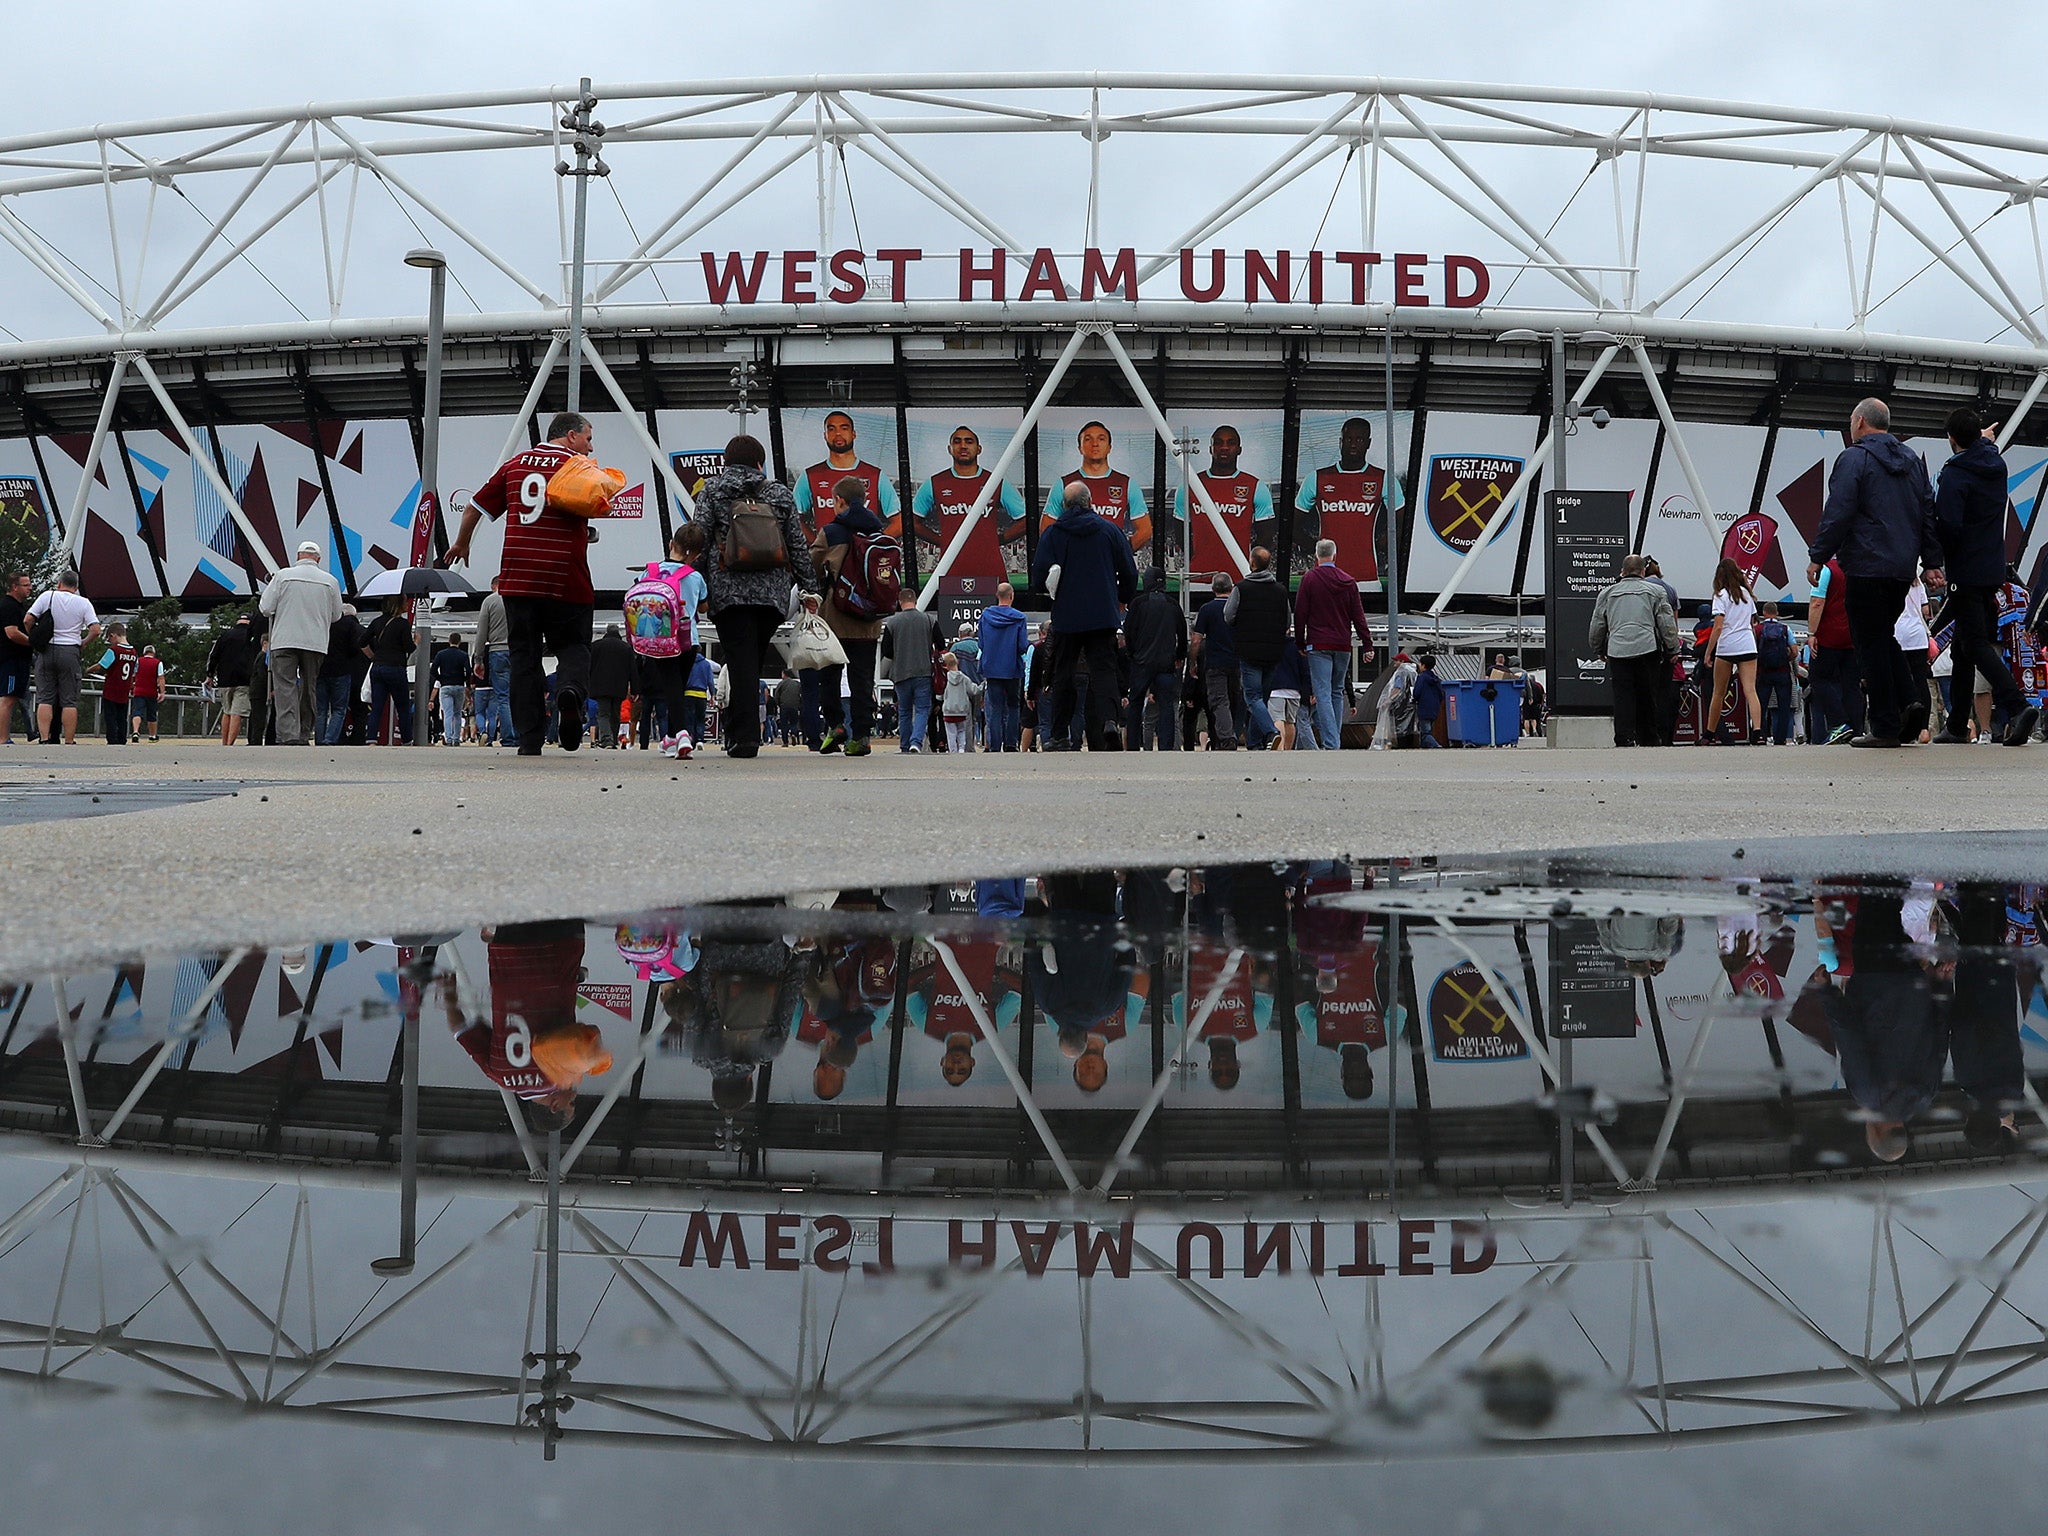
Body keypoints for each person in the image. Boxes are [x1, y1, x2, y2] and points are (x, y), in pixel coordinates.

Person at [447, 411, 602, 757]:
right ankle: (571, 692)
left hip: (518, 579)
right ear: (571, 436)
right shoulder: (579, 467)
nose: (591, 447)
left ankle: (529, 739)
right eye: (588, 438)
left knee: (524, 658)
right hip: (567, 577)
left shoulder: (515, 464)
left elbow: (473, 507)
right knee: (575, 647)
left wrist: (462, 543)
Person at [1806, 397, 1944, 747]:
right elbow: (1927, 511)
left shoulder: (1854, 457)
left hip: (1866, 565)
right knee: (1882, 635)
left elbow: (1839, 510)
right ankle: (1908, 702)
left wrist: (1819, 555)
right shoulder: (1912, 460)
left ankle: (1884, 726)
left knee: (1869, 642)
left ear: (1860, 422)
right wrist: (1931, 562)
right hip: (1900, 568)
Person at [690, 434, 815, 760]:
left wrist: (692, 586)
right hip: (772, 595)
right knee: (750, 658)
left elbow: (699, 540)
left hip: (729, 592)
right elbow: (798, 546)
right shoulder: (779, 494)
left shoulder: (713, 491)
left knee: (741, 658)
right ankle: (739, 730)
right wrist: (809, 587)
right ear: (760, 463)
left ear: (726, 462)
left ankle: (744, 737)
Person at [1933, 406, 2038, 745]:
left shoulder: (1954, 474)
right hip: (1992, 566)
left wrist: (1936, 557)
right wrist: (1986, 441)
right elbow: (1983, 450)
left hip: (1964, 568)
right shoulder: (1995, 465)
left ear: (1950, 439)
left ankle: (2018, 706)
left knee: (1974, 642)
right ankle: (1957, 725)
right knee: (1963, 647)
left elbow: (1948, 524)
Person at [1032, 479, 1140, 751]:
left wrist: (1050, 592)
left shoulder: (1054, 534)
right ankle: (1110, 722)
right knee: (1104, 669)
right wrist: (1122, 598)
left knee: (1063, 672)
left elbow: (1037, 577)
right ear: (1090, 502)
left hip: (1067, 615)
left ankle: (1059, 735)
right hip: (1102, 613)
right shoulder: (1110, 531)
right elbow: (1129, 571)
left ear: (1064, 505)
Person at [808, 476, 889, 757]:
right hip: (868, 621)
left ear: (839, 501)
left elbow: (812, 566)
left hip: (837, 617)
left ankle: (835, 726)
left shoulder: (831, 532)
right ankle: (863, 737)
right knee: (862, 680)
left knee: (829, 674)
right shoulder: (879, 533)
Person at [911, 424, 1028, 585]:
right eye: (957, 441)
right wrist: (941, 540)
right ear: (949, 448)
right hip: (950, 567)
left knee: (996, 610)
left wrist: (998, 539)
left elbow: (1025, 520)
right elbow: (912, 522)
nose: (963, 445)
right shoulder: (934, 483)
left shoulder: (996, 482)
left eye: (969, 441)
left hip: (990, 567)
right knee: (952, 610)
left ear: (979, 449)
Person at [1293, 416, 1405, 584]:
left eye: (1359, 439)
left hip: (1367, 578)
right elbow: (1292, 523)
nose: (1353, 444)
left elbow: (1404, 521)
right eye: (1348, 439)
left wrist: (1386, 542)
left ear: (1368, 443)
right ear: (1340, 441)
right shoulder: (1316, 478)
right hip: (1325, 577)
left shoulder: (1383, 479)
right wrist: (1311, 545)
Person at [1589, 552, 1681, 748]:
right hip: (1647, 649)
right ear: (1643, 571)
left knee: (1623, 695)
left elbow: (1597, 625)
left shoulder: (1607, 594)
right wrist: (1672, 649)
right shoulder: (1656, 592)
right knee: (1647, 695)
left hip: (1618, 651)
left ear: (1622, 572)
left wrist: (1598, 648)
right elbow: (1666, 624)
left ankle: (1624, 737)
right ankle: (1648, 737)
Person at [633, 524, 709, 759]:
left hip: (661, 638)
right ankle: (671, 738)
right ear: (696, 555)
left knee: (673, 689)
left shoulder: (650, 571)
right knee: (677, 688)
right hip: (689, 639)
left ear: (670, 544)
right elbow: (704, 607)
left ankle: (682, 734)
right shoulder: (695, 577)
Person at [256, 540, 342, 747]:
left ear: (298, 556)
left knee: (285, 686)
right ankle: (304, 732)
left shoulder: (282, 576)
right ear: (318, 559)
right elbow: (336, 615)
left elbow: (265, 608)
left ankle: (288, 735)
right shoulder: (330, 581)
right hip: (315, 642)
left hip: (284, 640)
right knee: (309, 686)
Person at [1293, 538, 1376, 752]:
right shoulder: (1348, 581)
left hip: (1318, 644)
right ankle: (1334, 741)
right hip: (1342, 645)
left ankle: (1332, 744)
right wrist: (1367, 644)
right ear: (1335, 555)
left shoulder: (1309, 579)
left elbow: (1300, 613)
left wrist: (1300, 642)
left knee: (1322, 692)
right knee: (1336, 691)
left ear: (1316, 556)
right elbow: (1358, 616)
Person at [1175, 424, 1274, 580]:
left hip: (1239, 577)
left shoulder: (1255, 486)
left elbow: (1267, 534)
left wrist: (1245, 560)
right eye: (1219, 442)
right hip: (1198, 576)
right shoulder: (1189, 485)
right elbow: (1180, 530)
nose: (1224, 447)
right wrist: (1197, 557)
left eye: (1231, 442)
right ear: (1211, 448)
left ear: (1239, 449)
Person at [1041, 420, 1151, 554]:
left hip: (1111, 570)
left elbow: (1145, 530)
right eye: (1088, 439)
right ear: (1080, 448)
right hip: (1075, 567)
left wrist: (1121, 553)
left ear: (1109, 447)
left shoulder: (1127, 484)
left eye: (1101, 438)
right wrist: (1066, 556)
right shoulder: (1063, 484)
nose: (1095, 444)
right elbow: (1046, 528)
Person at [792, 410, 901, 541]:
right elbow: (794, 519)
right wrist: (818, 547)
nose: (838, 433)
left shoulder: (875, 475)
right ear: (825, 435)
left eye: (844, 428)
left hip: (864, 559)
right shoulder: (810, 476)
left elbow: (899, 522)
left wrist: (870, 545)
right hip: (829, 560)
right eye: (831, 429)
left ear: (853, 434)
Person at [1224, 545, 1289, 749]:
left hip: (1249, 651)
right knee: (1262, 698)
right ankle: (1255, 743)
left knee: (1252, 697)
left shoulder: (1241, 589)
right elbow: (1287, 621)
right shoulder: (1280, 590)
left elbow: (1228, 615)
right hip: (1273, 652)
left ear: (1252, 563)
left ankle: (1270, 732)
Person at [26, 570, 100, 746]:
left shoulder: (47, 596)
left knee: (45, 698)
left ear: (59, 584)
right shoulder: (84, 603)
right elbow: (96, 629)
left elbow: (28, 619)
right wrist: (83, 642)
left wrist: (36, 637)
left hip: (47, 649)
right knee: (69, 700)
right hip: (70, 650)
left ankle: (44, 738)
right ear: (76, 587)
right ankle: (69, 740)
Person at [1121, 565, 1185, 750]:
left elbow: (1129, 632)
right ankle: (1165, 746)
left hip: (1142, 662)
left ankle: (1133, 745)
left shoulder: (1138, 604)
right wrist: (1179, 656)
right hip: (1166, 662)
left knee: (1135, 703)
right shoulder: (1172, 604)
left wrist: (1132, 654)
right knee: (1166, 705)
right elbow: (1181, 633)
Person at [1702, 558, 1764, 745]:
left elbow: (1718, 626)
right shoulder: (1746, 594)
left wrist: (1708, 652)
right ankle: (1758, 733)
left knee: (1718, 693)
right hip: (1747, 645)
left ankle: (1709, 735)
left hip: (1727, 646)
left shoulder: (1720, 595)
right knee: (1750, 690)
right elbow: (1752, 624)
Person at [1806, 556, 1864, 744]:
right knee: (1851, 685)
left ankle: (1838, 723)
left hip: (1829, 635)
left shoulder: (1826, 570)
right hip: (1853, 634)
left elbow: (1817, 602)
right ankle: (1857, 729)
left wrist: (1812, 632)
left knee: (1818, 677)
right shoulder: (1859, 566)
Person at [881, 590, 939, 754]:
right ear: (914, 600)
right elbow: (940, 644)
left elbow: (886, 650)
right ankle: (916, 742)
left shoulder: (892, 623)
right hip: (923, 671)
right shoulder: (929, 620)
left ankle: (905, 744)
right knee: (922, 709)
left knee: (904, 711)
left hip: (900, 673)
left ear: (900, 602)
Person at [1191, 573, 1244, 749]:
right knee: (1234, 700)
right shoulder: (1239, 608)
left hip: (1215, 663)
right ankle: (1232, 732)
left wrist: (1193, 662)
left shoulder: (1206, 610)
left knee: (1219, 701)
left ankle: (1226, 738)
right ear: (1232, 587)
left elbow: (1197, 639)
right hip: (1236, 661)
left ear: (1213, 589)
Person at [976, 582, 1028, 752]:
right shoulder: (1019, 618)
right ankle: (1011, 744)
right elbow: (1022, 646)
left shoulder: (985, 616)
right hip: (1012, 668)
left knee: (995, 708)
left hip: (991, 668)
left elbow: (982, 644)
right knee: (1013, 706)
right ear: (1011, 596)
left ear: (997, 595)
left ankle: (995, 745)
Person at [361, 597, 415, 744]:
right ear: (397, 604)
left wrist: (373, 657)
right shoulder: (403, 624)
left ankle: (371, 739)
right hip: (395, 668)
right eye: (405, 602)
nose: (407, 604)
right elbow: (409, 648)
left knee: (377, 706)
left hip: (378, 668)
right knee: (402, 706)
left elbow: (362, 642)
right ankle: (407, 740)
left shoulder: (376, 622)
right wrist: (416, 641)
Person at [205, 608, 257, 746]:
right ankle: (230, 743)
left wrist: (209, 675)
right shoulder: (252, 636)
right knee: (237, 713)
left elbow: (214, 656)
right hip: (244, 679)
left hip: (224, 679)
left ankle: (224, 743)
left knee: (226, 711)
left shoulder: (225, 635)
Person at [471, 576, 513, 747]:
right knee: (518, 696)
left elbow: (481, 632)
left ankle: (508, 737)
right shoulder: (518, 599)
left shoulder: (489, 602)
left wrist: (479, 658)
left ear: (494, 585)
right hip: (518, 651)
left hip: (497, 651)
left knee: (503, 698)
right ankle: (519, 734)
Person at [586, 623, 638, 750]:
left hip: (600, 686)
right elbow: (633, 670)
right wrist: (636, 689)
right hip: (619, 687)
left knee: (603, 713)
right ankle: (613, 739)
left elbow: (588, 667)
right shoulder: (626, 648)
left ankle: (606, 740)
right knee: (615, 713)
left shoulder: (596, 646)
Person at [317, 603, 362, 746]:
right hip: (341, 670)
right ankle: (329, 739)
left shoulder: (324, 623)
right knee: (338, 709)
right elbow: (355, 648)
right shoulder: (349, 626)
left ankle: (319, 739)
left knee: (321, 709)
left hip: (321, 669)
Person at [1754, 600, 1796, 745]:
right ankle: (1781, 739)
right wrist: (1785, 660)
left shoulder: (1757, 629)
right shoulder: (1785, 629)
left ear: (1763, 613)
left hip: (1763, 672)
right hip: (1782, 672)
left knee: (1761, 706)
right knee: (1784, 706)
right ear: (1777, 613)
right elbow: (1795, 651)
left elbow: (1753, 651)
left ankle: (1762, 737)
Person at [0, 570, 31, 744]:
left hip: (20, 660)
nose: (29, 588)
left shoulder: (20, 607)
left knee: (13, 697)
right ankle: (3, 737)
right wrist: (32, 642)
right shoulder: (8, 606)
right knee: (8, 697)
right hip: (10, 659)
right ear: (14, 587)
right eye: (25, 585)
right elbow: (12, 633)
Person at [92, 621, 137, 745]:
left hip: (111, 690)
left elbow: (101, 665)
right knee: (122, 717)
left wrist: (88, 670)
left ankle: (112, 739)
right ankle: (122, 739)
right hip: (124, 690)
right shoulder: (133, 652)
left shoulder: (114, 650)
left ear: (113, 635)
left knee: (110, 717)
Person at [1269, 638, 1318, 749]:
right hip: (1294, 691)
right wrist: (1310, 690)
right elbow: (1305, 670)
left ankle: (1279, 748)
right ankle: (1287, 749)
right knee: (1290, 722)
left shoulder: (1271, 643)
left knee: (1277, 719)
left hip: (1275, 689)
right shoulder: (1297, 646)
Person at [938, 650, 983, 753]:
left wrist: (939, 698)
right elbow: (974, 690)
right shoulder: (964, 678)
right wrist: (983, 685)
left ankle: (953, 749)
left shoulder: (945, 679)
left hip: (948, 710)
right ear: (957, 662)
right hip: (962, 710)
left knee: (951, 733)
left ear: (945, 666)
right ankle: (962, 748)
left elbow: (940, 695)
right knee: (961, 730)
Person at [431, 634, 472, 746]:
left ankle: (448, 738)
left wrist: (441, 678)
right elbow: (468, 671)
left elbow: (433, 670)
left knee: (448, 714)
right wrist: (463, 679)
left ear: (449, 641)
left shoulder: (441, 654)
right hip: (459, 686)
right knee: (457, 713)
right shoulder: (463, 655)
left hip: (445, 686)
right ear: (459, 641)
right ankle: (456, 738)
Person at [129, 643, 162, 744]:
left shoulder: (138, 661)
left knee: (137, 711)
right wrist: (162, 692)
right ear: (153, 653)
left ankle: (135, 731)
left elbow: (132, 675)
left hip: (138, 691)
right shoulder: (158, 663)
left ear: (144, 653)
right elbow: (161, 678)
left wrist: (131, 687)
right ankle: (152, 736)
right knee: (152, 714)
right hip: (152, 692)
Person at [1411, 651, 1444, 748]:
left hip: (1424, 707)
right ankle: (1424, 747)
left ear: (1423, 665)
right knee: (1429, 729)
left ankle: (1436, 746)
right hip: (1435, 707)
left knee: (1425, 732)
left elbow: (1417, 692)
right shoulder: (1436, 679)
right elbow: (1441, 693)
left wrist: (1415, 699)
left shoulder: (1422, 677)